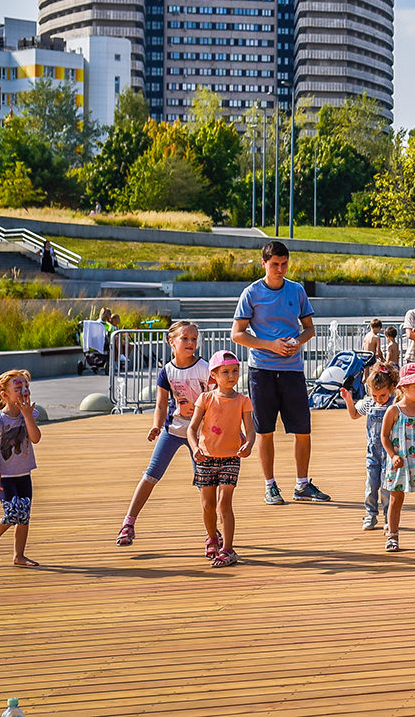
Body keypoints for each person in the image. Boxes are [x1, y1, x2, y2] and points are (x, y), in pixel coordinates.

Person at [231, 241, 328, 506]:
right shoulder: (251, 293)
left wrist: (298, 341)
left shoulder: (296, 291)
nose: (280, 269)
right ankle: (270, 486)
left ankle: (302, 484)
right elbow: (236, 334)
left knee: (303, 429)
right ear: (263, 263)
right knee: (265, 431)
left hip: (292, 369)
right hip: (261, 370)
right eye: (275, 264)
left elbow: (309, 328)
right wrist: (270, 344)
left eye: (284, 264)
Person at [117, 321, 209, 546]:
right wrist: (156, 426)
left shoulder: (204, 368)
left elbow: (216, 400)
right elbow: (160, 404)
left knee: (204, 483)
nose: (190, 343)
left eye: (194, 339)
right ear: (171, 342)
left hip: (199, 432)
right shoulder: (166, 371)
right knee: (151, 474)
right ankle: (128, 523)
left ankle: (212, 532)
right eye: (185, 338)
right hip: (173, 429)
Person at [187, 351, 256, 568]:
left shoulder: (243, 401)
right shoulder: (206, 398)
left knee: (223, 502)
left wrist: (249, 444)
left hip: (231, 458)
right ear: (214, 376)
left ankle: (228, 548)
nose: (231, 376)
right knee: (208, 505)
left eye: (235, 371)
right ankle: (212, 538)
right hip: (206, 458)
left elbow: (250, 430)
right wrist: (195, 446)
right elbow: (192, 429)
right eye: (225, 372)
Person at [0, 368, 42, 567]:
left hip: (24, 473)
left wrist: (27, 416)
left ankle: (19, 555)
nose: (24, 390)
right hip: (5, 476)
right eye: (18, 387)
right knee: (12, 513)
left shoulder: (31, 413)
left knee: (24, 516)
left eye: (26, 386)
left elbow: (36, 438)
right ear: (4, 394)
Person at [380, 362, 415, 553]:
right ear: (403, 388)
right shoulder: (394, 410)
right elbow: (384, 436)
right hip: (400, 463)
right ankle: (393, 535)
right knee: (396, 500)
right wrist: (393, 455)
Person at [342, 363, 399, 531]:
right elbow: (354, 415)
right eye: (374, 395)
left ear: (391, 389)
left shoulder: (395, 404)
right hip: (373, 452)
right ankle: (370, 514)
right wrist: (348, 400)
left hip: (390, 452)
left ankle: (389, 517)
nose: (378, 399)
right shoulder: (369, 403)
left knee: (387, 486)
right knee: (371, 484)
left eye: (382, 395)